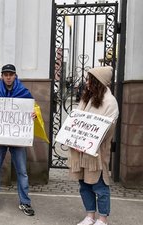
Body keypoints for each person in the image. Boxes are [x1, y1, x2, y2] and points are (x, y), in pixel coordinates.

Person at [0, 64, 36, 216]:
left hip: (17, 138)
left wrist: (33, 115)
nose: (8, 77)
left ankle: (25, 202)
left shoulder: (23, 91)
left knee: (22, 171)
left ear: (15, 75)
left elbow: (33, 107)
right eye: (5, 74)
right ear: (2, 76)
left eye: (10, 74)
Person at [69, 66, 118, 225]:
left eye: (90, 79)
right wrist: (74, 139)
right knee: (84, 185)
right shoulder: (87, 98)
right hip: (81, 151)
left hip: (96, 152)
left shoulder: (110, 102)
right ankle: (90, 216)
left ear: (99, 82)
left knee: (100, 185)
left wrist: (86, 141)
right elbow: (76, 121)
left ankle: (102, 218)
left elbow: (107, 129)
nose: (87, 82)